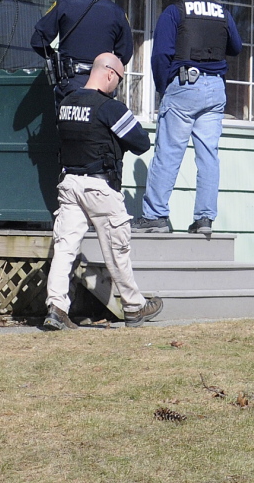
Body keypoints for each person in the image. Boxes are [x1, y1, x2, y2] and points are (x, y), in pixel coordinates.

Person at [43, 52, 164, 330]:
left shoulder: (66, 103)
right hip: (99, 187)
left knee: (64, 248)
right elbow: (141, 143)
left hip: (69, 184)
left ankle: (57, 309)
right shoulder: (109, 108)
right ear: (110, 74)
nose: (117, 85)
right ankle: (134, 308)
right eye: (119, 80)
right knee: (117, 250)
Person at [133, 0, 242, 236]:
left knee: (169, 153)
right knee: (208, 156)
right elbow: (236, 47)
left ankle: (156, 216)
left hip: (184, 85)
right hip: (216, 89)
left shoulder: (175, 12)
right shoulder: (223, 13)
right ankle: (204, 219)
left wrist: (163, 88)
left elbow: (160, 55)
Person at [31, 0, 133, 105]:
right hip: (101, 85)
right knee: (96, 125)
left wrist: (55, 58)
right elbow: (124, 54)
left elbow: (38, 40)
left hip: (69, 82)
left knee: (67, 124)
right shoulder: (118, 13)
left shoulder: (64, 4)